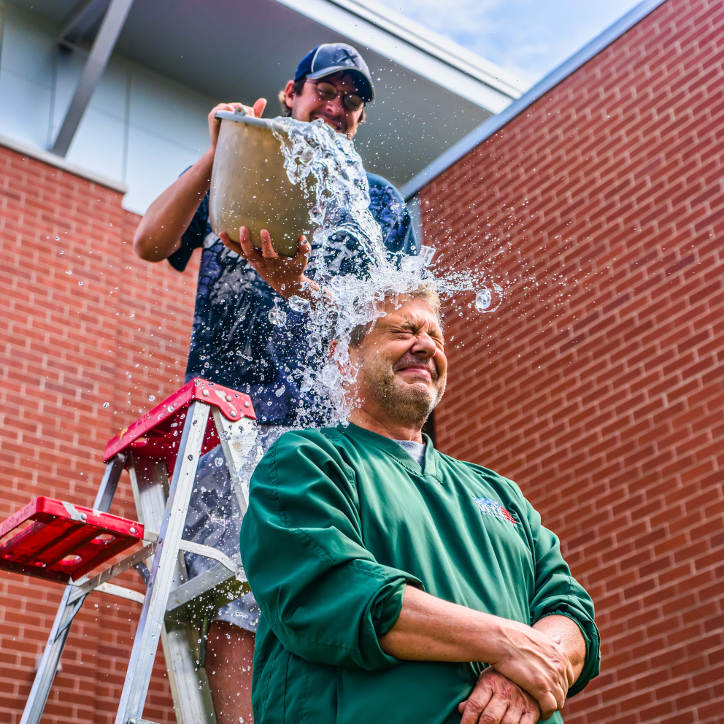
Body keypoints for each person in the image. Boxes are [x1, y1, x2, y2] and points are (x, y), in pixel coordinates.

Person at [132, 43, 419, 722]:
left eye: (353, 101)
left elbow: (393, 320)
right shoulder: (249, 154)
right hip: (229, 419)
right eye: (327, 92)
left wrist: (302, 288)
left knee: (327, 593)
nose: (338, 108)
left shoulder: (378, 202)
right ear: (292, 93)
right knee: (233, 589)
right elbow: (149, 240)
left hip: (327, 429)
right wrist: (215, 152)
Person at [240, 287, 600, 723]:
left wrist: (520, 677)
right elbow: (333, 591)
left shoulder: (501, 492)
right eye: (403, 331)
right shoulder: (307, 461)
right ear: (342, 358)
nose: (427, 345)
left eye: (436, 337)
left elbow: (569, 612)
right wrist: (507, 642)